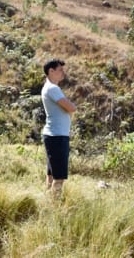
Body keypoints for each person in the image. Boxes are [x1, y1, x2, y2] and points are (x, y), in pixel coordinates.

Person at [41, 58, 76, 198]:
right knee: (59, 177)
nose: (63, 73)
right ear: (51, 71)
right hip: (57, 136)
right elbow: (71, 107)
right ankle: (55, 205)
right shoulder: (53, 88)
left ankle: (47, 200)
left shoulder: (48, 87)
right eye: (60, 70)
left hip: (53, 135)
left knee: (51, 173)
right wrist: (72, 106)